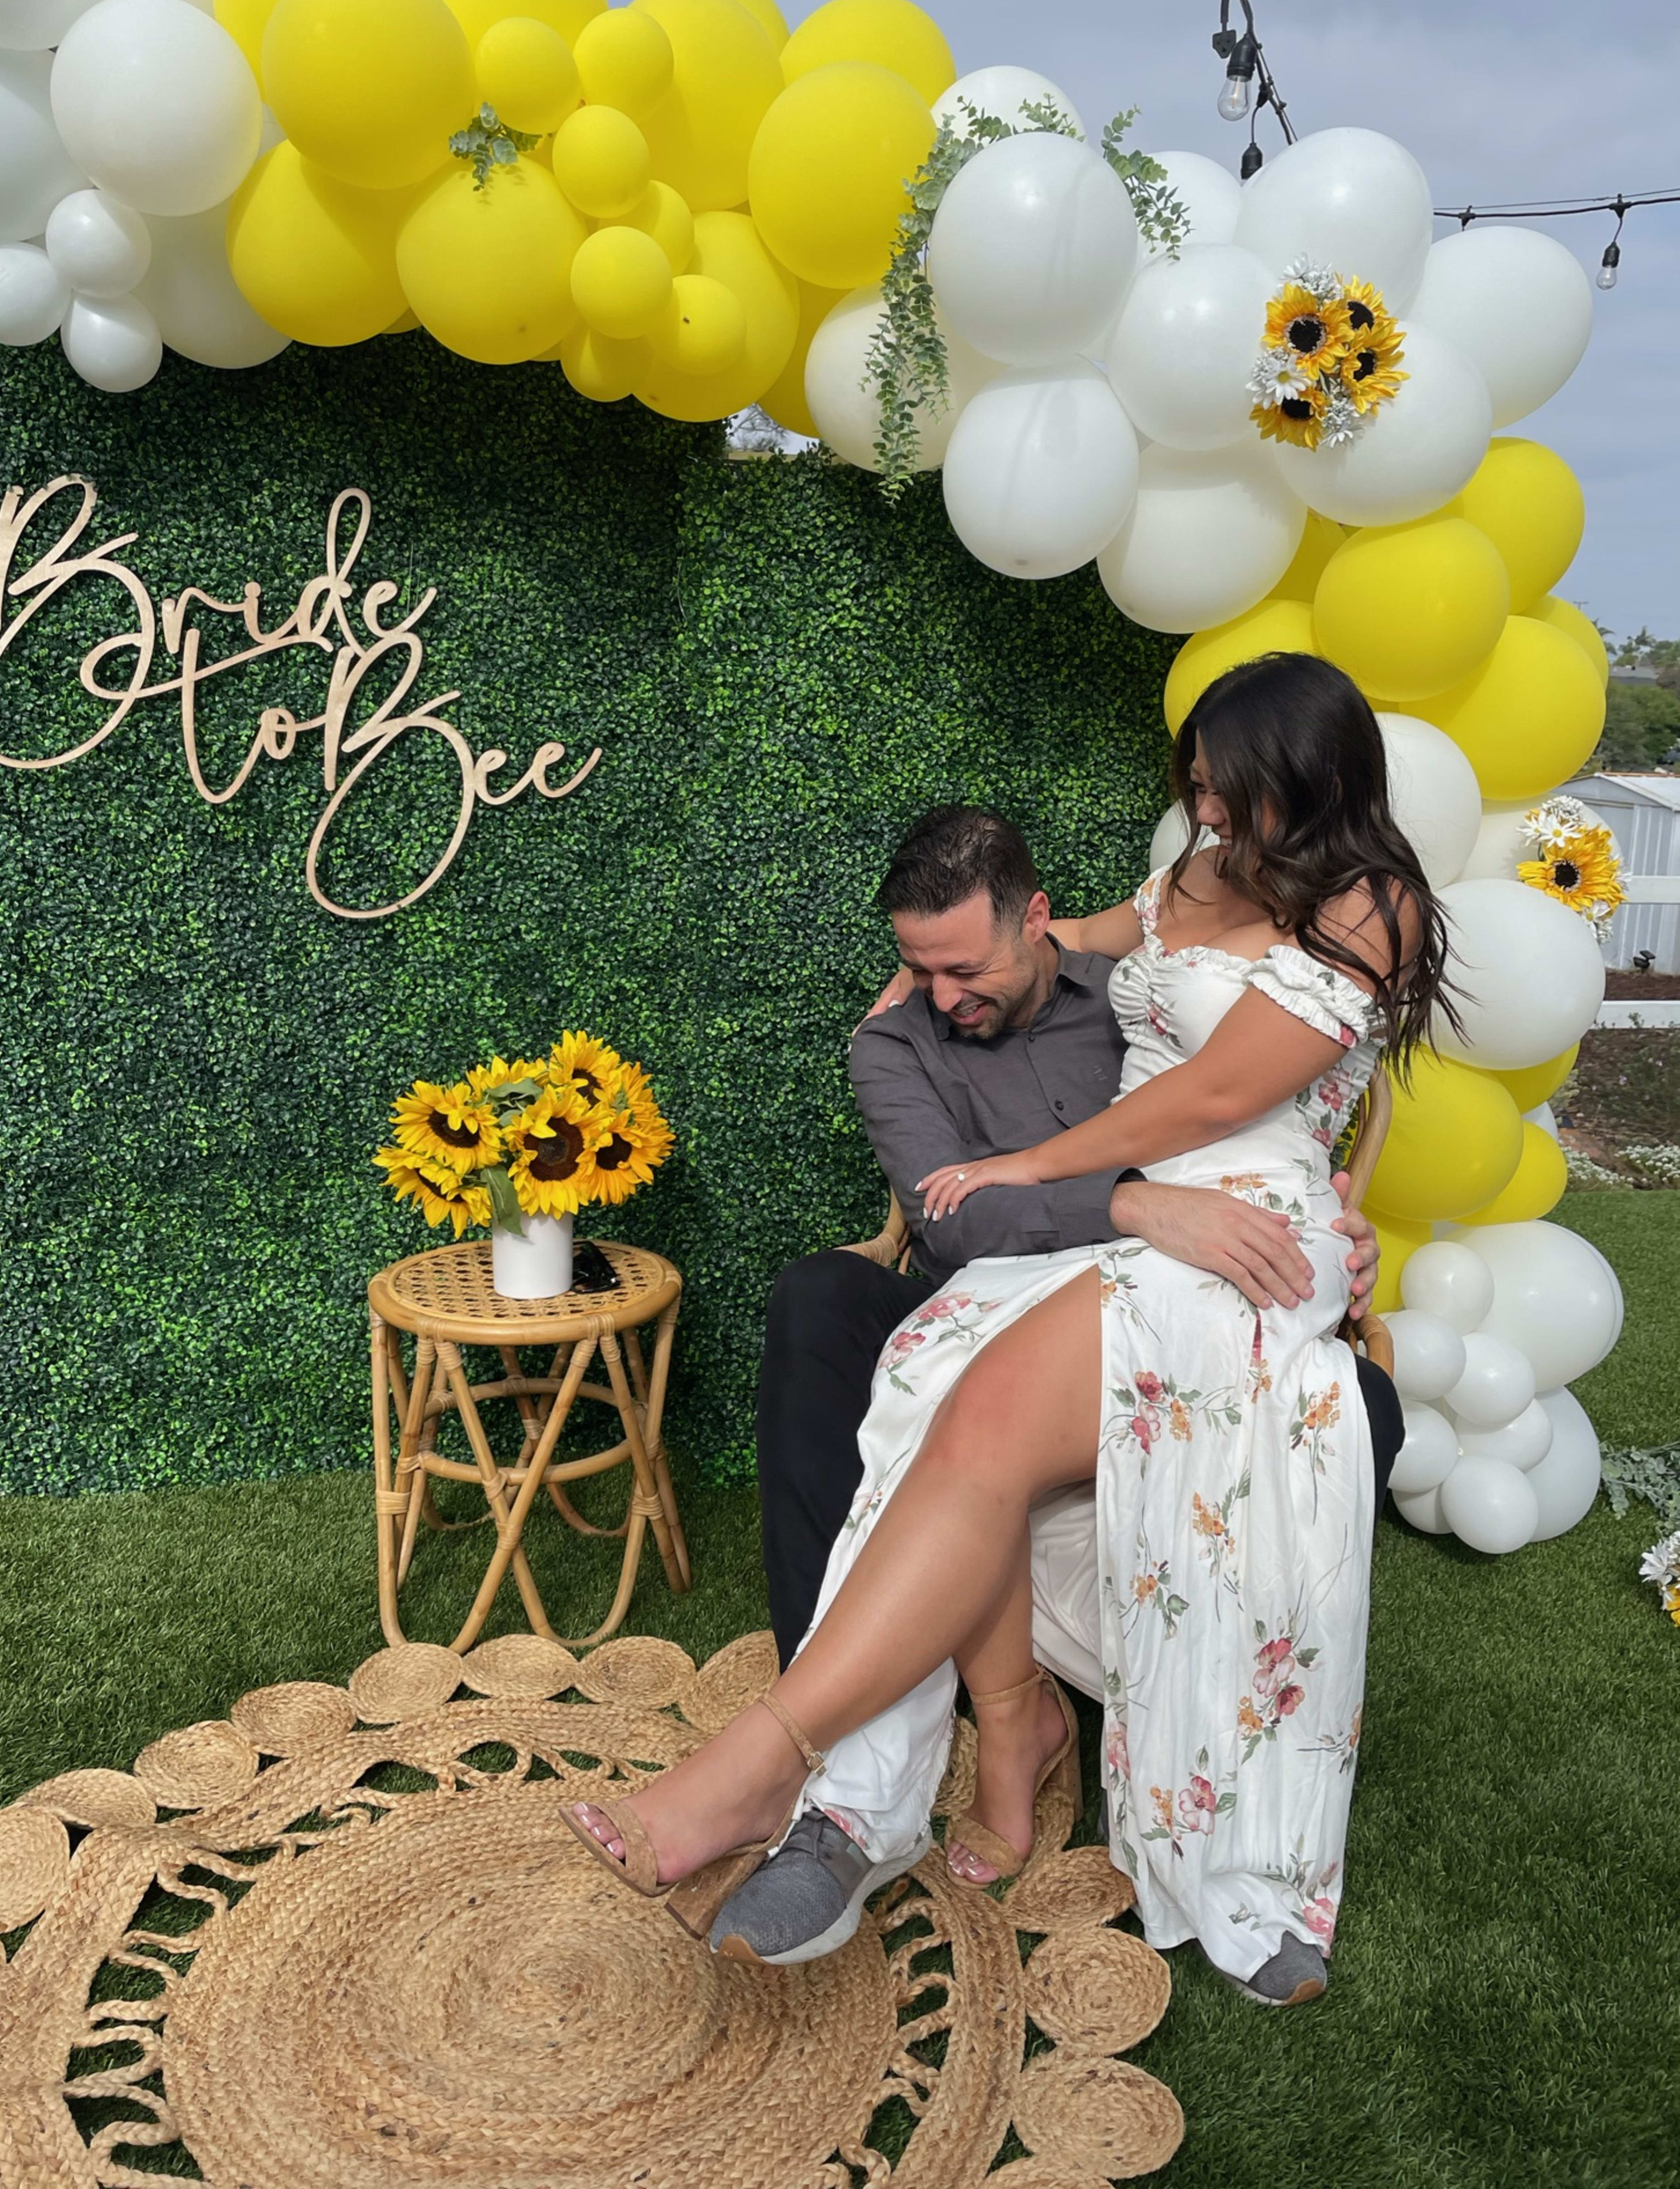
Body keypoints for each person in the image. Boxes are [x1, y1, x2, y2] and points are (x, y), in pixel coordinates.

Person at [562, 653, 1443, 2008]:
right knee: (928, 1374)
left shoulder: (1368, 901)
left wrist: (1050, 1175)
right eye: (1194, 785)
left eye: (1226, 789)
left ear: (1307, 782)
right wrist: (918, 993)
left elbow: (1208, 1098)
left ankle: (792, 1765)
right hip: (1133, 1228)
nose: (1203, 811)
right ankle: (894, 1781)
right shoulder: (1190, 877)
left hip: (1244, 1227)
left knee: (961, 1406)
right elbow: (1085, 937)